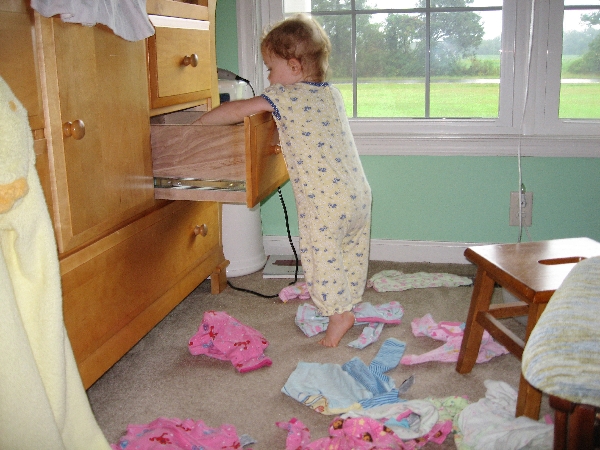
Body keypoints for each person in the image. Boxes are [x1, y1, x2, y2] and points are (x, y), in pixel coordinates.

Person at [195, 14, 372, 347]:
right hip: (358, 193)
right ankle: (348, 299)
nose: (268, 77)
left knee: (321, 257)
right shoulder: (332, 94)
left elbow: (238, 111)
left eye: (269, 68)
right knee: (348, 252)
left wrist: (201, 122)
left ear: (294, 67)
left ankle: (338, 313)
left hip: (325, 203)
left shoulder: (285, 97)